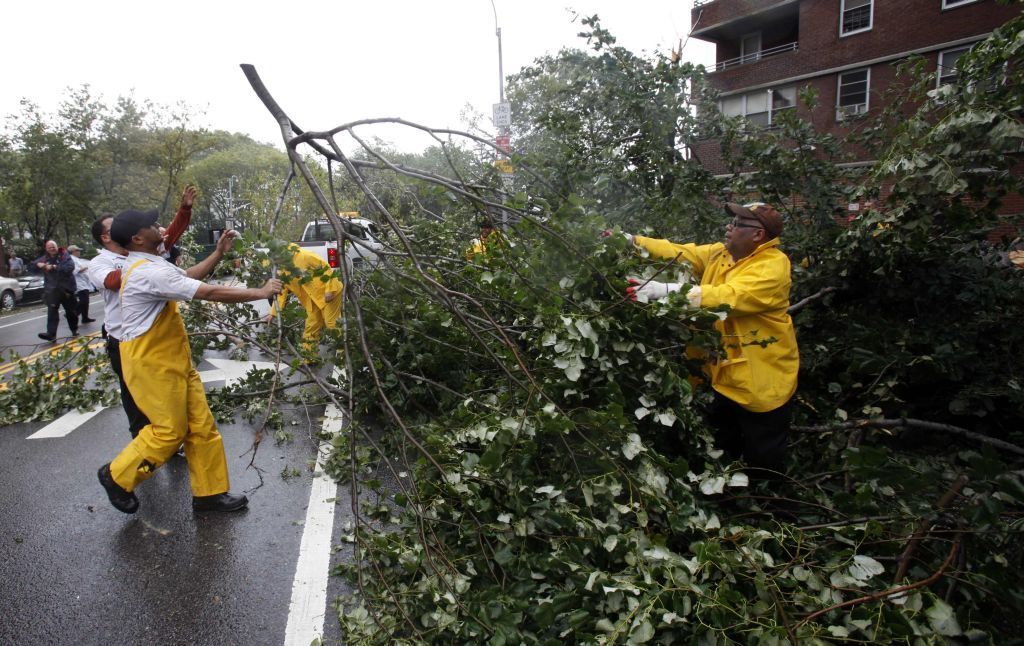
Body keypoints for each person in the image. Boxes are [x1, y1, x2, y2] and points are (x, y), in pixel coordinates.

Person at [621, 202, 799, 477]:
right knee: (722, 446)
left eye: (738, 223)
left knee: (764, 458)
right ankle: (729, 501)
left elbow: (727, 297)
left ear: (758, 235)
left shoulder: (772, 267)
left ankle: (770, 508)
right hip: (724, 376)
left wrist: (664, 290)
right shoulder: (721, 254)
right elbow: (682, 252)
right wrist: (633, 241)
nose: (729, 227)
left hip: (762, 380)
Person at [88, 185, 229, 439]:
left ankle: (168, 438)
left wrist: (184, 210)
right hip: (123, 340)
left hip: (154, 337)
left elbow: (169, 238)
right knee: (134, 394)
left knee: (168, 395)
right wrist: (142, 264)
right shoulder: (101, 263)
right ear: (107, 238)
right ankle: (142, 444)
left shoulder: (145, 255)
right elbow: (111, 281)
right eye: (113, 227)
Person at [265, 243, 343, 354]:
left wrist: (329, 289)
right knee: (311, 326)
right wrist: (272, 313)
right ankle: (309, 357)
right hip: (311, 301)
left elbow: (326, 267)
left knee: (332, 324)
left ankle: (344, 354)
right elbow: (282, 292)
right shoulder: (283, 270)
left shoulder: (304, 256)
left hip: (329, 294)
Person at [32, 241, 79, 342]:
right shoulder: (45, 258)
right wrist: (37, 265)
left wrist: (54, 267)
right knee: (52, 311)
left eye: (53, 247)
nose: (51, 249)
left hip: (66, 289)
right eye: (49, 247)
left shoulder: (64, 255)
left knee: (71, 312)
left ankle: (74, 329)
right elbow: (31, 267)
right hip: (52, 290)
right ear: (46, 249)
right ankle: (51, 334)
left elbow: (69, 268)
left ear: (57, 247)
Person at [67, 245, 96, 323]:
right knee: (83, 300)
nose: (79, 252)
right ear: (73, 251)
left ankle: (85, 317)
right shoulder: (71, 259)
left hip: (84, 281)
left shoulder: (77, 259)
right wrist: (86, 267)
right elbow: (76, 271)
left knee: (86, 300)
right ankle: (73, 313)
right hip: (79, 282)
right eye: (77, 250)